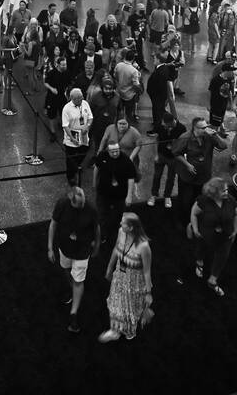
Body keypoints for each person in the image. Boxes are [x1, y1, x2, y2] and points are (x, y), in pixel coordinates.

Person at [48, 185, 100, 334]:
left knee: (78, 281)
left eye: (83, 201)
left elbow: (96, 228)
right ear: (71, 200)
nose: (83, 205)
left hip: (83, 251)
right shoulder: (62, 204)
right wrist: (50, 247)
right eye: (80, 204)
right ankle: (72, 290)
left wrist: (96, 245)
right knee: (66, 269)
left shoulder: (90, 209)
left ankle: (74, 314)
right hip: (65, 248)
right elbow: (53, 224)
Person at [100, 212, 153, 343]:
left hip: (134, 282)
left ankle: (128, 330)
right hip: (119, 275)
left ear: (131, 227)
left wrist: (148, 292)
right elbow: (116, 249)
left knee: (130, 307)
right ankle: (115, 331)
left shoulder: (144, 246)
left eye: (123, 222)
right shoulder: (121, 232)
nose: (120, 224)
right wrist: (109, 267)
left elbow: (147, 271)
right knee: (117, 302)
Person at [171, 118, 226, 223]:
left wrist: (215, 135)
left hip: (203, 175)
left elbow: (223, 146)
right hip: (187, 176)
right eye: (203, 128)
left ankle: (195, 216)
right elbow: (176, 153)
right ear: (195, 128)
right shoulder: (185, 138)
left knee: (199, 198)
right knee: (184, 199)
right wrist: (187, 165)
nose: (206, 129)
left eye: (207, 126)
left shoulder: (209, 136)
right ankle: (183, 219)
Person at [189, 176, 237, 295]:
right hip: (205, 233)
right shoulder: (203, 201)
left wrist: (235, 230)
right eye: (224, 191)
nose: (227, 192)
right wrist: (195, 229)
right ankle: (199, 263)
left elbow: (236, 214)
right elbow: (194, 214)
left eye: (227, 190)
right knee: (201, 248)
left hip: (225, 236)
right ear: (214, 193)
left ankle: (213, 279)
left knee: (223, 255)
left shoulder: (230, 200)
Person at [93, 141, 139, 246]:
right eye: (112, 151)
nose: (115, 153)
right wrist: (94, 182)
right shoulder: (102, 156)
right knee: (101, 215)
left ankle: (117, 236)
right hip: (103, 193)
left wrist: (129, 196)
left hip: (120, 194)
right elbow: (96, 168)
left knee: (118, 216)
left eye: (117, 151)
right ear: (108, 150)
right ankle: (102, 235)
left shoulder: (126, 160)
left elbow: (131, 178)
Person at [148, 113, 183, 208]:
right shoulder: (160, 126)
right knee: (157, 175)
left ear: (171, 122)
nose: (163, 125)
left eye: (165, 124)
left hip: (174, 158)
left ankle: (167, 196)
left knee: (171, 178)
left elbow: (183, 144)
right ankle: (154, 195)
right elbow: (156, 139)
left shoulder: (181, 128)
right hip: (161, 155)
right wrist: (156, 154)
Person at [60, 88, 93, 185]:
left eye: (82, 96)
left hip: (83, 135)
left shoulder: (85, 103)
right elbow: (65, 126)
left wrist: (87, 127)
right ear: (73, 99)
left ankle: (77, 166)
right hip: (72, 137)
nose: (82, 98)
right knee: (70, 158)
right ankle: (71, 176)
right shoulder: (66, 109)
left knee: (83, 152)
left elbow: (90, 117)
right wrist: (72, 138)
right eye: (79, 98)